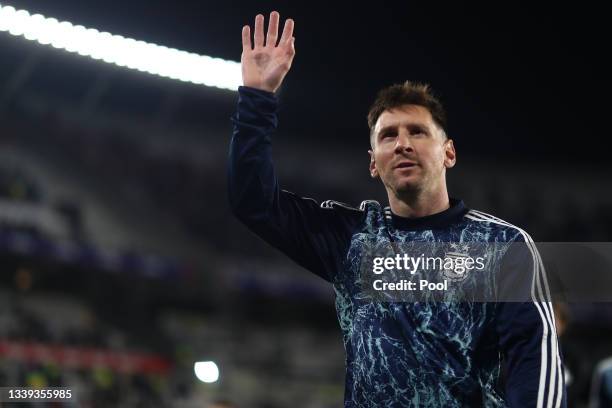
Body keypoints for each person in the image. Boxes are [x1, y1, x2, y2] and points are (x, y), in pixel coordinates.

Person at [228, 11, 567, 407]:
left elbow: (534, 358)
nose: (402, 144)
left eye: (417, 131)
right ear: (374, 162)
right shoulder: (350, 239)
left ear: (449, 152)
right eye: (388, 136)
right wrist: (257, 99)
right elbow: (253, 203)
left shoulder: (502, 245)